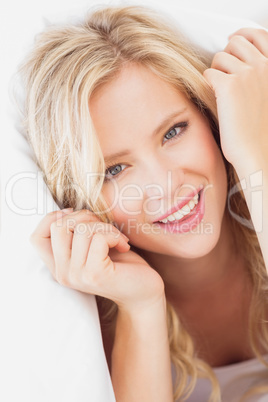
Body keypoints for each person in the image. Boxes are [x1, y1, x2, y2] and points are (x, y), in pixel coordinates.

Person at [19, 4, 268, 401]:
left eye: (174, 131)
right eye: (113, 171)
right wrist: (141, 304)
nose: (163, 185)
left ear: (212, 117)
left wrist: (256, 158)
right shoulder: (80, 332)